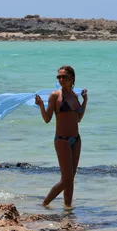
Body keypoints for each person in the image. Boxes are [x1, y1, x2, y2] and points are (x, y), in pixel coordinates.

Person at [34, 65, 87, 208]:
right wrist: (40, 106)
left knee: (71, 178)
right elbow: (47, 119)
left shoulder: (75, 96)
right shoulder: (55, 96)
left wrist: (85, 101)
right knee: (66, 179)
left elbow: (78, 119)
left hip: (76, 140)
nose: (61, 79)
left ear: (72, 78)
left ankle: (68, 209)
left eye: (64, 76)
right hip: (62, 140)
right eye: (59, 77)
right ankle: (44, 204)